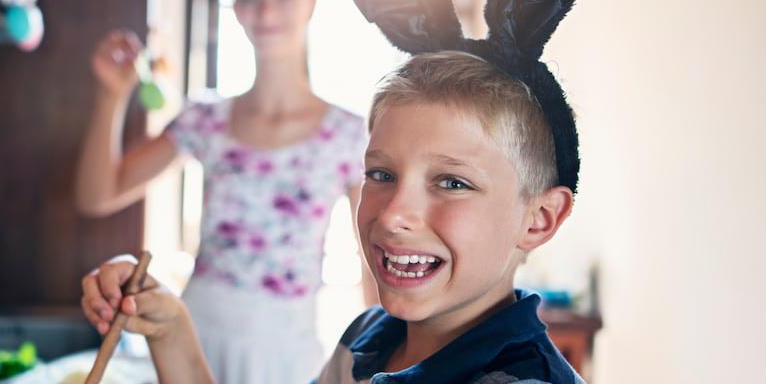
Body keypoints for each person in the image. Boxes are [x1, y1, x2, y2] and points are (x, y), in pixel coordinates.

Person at [80, 0, 587, 382]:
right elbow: (99, 193)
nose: (393, 216)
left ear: (539, 218)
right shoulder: (366, 340)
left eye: (452, 182)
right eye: (381, 175)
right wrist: (171, 329)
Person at [74, 0, 372, 382]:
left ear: (310, 5)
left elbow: (373, 268)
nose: (264, 12)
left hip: (285, 350)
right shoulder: (205, 118)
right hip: (191, 331)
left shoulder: (349, 135)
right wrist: (112, 93)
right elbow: (97, 195)